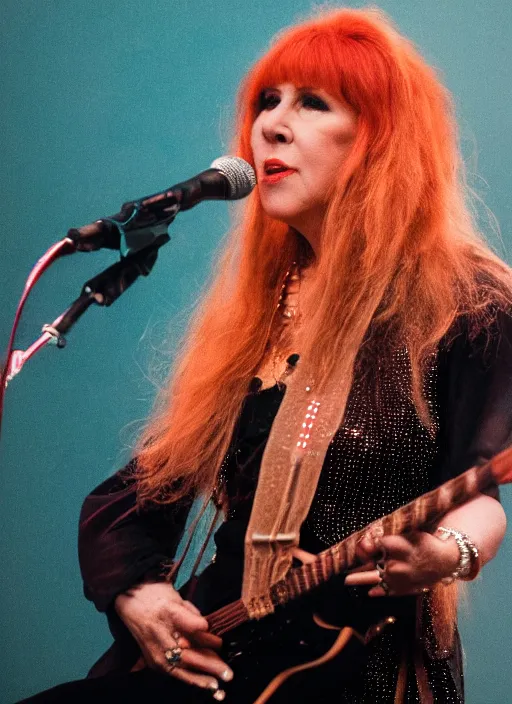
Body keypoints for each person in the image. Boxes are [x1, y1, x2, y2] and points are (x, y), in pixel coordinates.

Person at [20, 6, 512, 704]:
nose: (272, 125)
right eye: (266, 101)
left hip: (348, 665)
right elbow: (144, 489)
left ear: (383, 137)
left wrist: (446, 555)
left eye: (314, 103)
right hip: (223, 651)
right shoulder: (260, 306)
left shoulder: (470, 299)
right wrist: (138, 594)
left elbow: (482, 486)